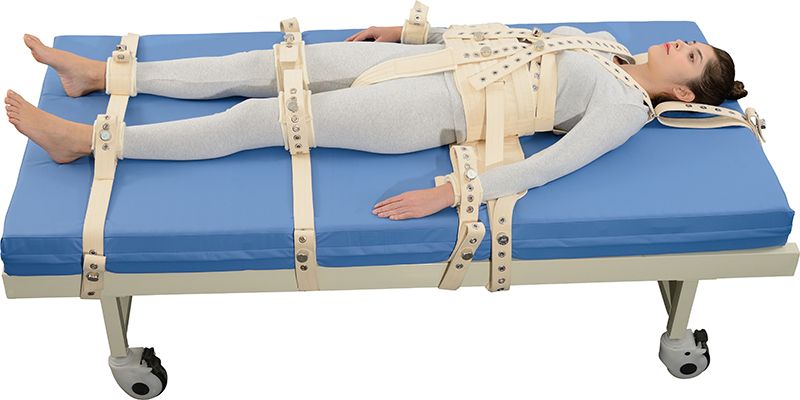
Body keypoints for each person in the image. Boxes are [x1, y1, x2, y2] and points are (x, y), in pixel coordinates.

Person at [3, 25, 747, 221]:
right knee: (267, 63)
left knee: (265, 117)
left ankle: (84, 142)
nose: (680, 48)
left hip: (433, 109)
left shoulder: (622, 110)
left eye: (692, 59)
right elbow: (508, 33)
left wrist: (452, 194)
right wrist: (412, 33)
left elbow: (549, 165)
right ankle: (99, 76)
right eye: (691, 44)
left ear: (684, 96)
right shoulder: (609, 46)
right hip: (431, 61)